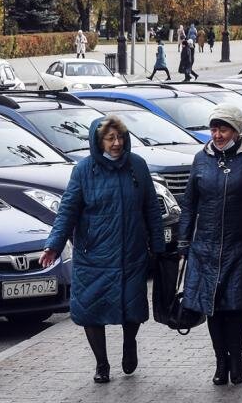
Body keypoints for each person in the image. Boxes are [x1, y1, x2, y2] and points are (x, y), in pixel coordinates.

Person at [40, 116, 164, 384]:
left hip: (131, 252)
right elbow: (68, 210)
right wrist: (54, 245)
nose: (116, 143)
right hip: (93, 255)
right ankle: (102, 363)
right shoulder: (84, 170)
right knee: (91, 310)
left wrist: (158, 245)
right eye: (110, 139)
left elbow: (151, 208)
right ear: (99, 142)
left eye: (119, 137)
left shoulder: (137, 167)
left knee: (133, 307)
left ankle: (129, 344)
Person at [178, 104, 242, 387]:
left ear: (236, 131)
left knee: (234, 306)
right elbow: (189, 203)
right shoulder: (201, 159)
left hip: (241, 244)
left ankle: (235, 359)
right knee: (213, 306)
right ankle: (220, 361)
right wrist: (183, 241)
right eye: (214, 129)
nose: (217, 134)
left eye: (223, 129)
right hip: (206, 246)